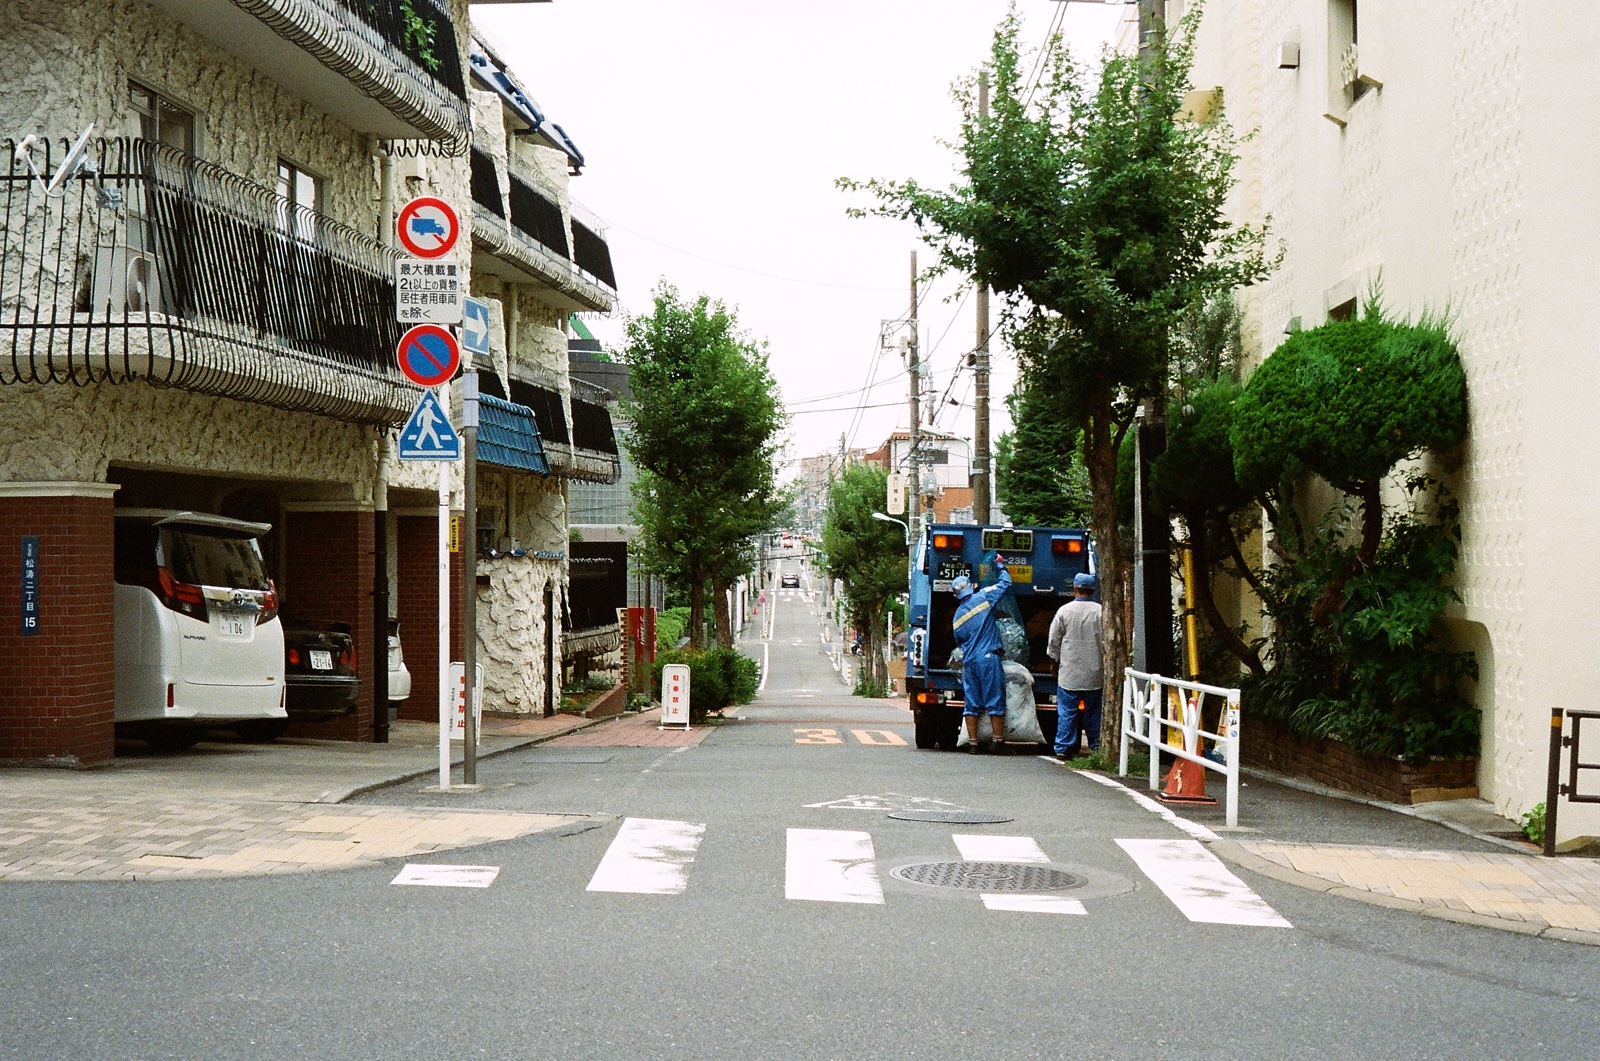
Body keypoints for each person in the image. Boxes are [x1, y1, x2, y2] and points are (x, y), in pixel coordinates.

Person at [949, 554, 1012, 754]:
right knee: (995, 700)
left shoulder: (956, 618)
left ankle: (973, 744)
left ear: (954, 596)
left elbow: (959, 642)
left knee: (972, 703)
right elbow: (1005, 584)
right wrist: (1001, 565)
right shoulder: (983, 597)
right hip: (988, 658)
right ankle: (997, 742)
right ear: (972, 586)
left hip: (970, 662)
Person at [1046, 572, 1104, 759]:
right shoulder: (1101, 611)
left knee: (1067, 712)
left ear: (1075, 589)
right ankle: (1096, 745)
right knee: (1094, 712)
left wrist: (1054, 663)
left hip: (1069, 671)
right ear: (1093, 590)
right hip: (1095, 671)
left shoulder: (1064, 611)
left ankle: (1063, 747)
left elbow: (1054, 641)